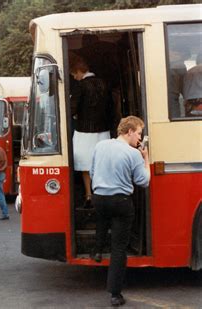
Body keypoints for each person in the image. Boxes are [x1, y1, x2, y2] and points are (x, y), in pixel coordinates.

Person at [90, 116, 150, 307]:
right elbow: (143, 181)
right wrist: (145, 159)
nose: (139, 139)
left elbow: (92, 172)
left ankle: (97, 250)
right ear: (130, 131)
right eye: (139, 133)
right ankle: (115, 294)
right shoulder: (133, 154)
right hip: (121, 201)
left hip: (99, 197)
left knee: (102, 220)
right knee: (118, 248)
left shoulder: (100, 146)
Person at [70, 56, 112, 208]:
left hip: (84, 131)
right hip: (103, 130)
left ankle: (89, 195)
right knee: (102, 164)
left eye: (75, 74)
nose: (75, 77)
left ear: (80, 71)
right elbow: (110, 107)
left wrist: (75, 114)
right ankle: (103, 193)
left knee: (85, 165)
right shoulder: (103, 84)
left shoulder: (80, 86)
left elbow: (72, 109)